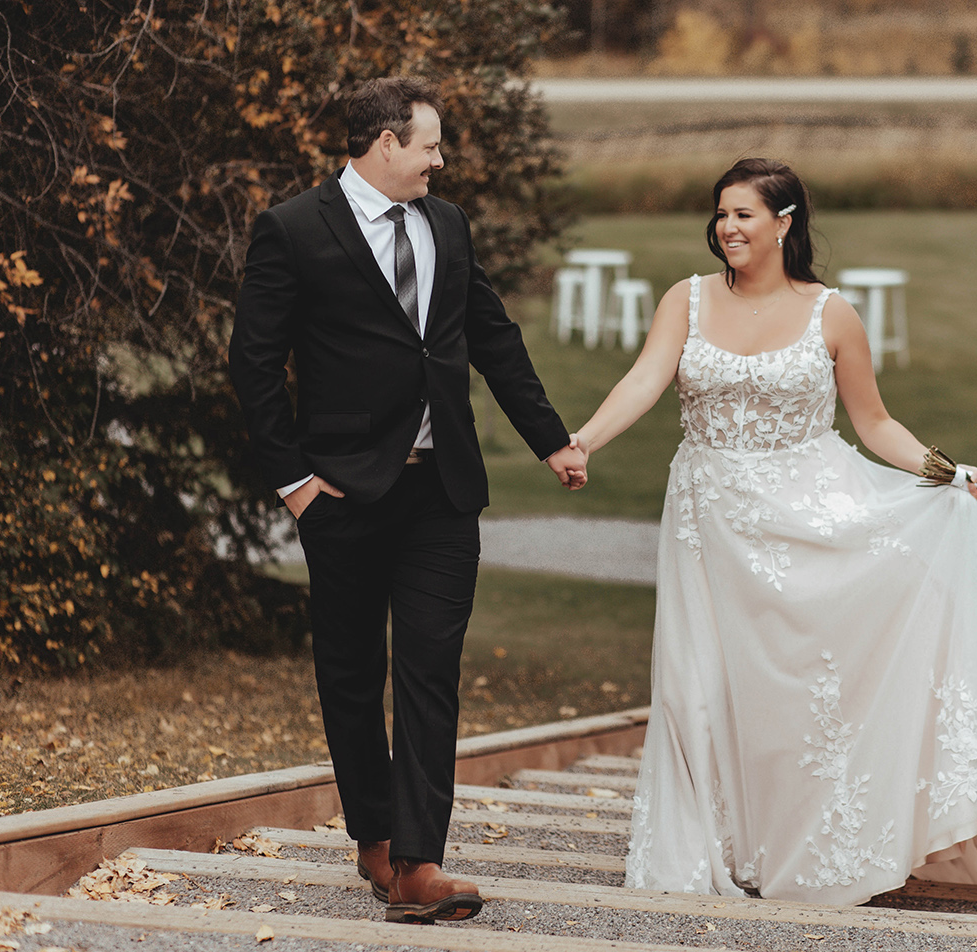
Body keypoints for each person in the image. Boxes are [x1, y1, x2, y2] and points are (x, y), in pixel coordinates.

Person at [567, 158, 977, 904]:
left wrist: (950, 475)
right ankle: (720, 845)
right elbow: (645, 379)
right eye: (720, 214)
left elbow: (873, 422)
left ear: (784, 223)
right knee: (701, 686)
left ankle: (829, 835)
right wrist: (584, 440)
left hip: (811, 511)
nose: (727, 228)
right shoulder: (685, 300)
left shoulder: (831, 313)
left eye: (743, 214)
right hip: (708, 518)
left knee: (806, 689)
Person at [229, 76, 587, 924]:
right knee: (350, 675)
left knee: (430, 667)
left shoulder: (448, 225)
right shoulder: (291, 229)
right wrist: (297, 487)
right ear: (385, 143)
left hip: (442, 495)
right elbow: (254, 366)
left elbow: (493, 337)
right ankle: (376, 835)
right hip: (342, 496)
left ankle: (420, 863)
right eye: (428, 144)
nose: (439, 160)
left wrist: (553, 441)